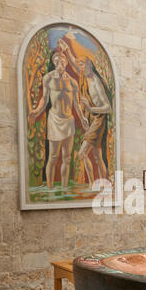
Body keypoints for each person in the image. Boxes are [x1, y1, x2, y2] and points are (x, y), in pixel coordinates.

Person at [28, 51, 89, 188]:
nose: (59, 63)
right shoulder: (48, 78)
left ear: (66, 62)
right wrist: (36, 111)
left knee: (67, 158)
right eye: (56, 61)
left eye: (62, 61)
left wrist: (83, 118)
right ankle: (49, 187)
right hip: (54, 119)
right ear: (53, 63)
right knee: (53, 156)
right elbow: (44, 99)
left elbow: (76, 104)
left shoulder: (73, 82)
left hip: (68, 120)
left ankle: (64, 187)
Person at [58, 39, 112, 188]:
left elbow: (107, 107)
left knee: (82, 153)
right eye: (79, 65)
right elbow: (74, 62)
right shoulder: (84, 75)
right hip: (92, 119)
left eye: (82, 65)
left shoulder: (96, 84)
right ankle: (103, 184)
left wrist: (89, 108)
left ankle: (92, 184)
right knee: (96, 155)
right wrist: (67, 49)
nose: (79, 67)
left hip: (98, 119)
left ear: (89, 65)